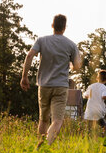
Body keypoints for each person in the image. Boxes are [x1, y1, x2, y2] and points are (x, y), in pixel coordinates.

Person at [20, 14, 81, 145]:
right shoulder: (71, 45)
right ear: (65, 27)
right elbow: (77, 66)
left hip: (44, 85)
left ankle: (41, 145)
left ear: (52, 25)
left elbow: (30, 55)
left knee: (43, 119)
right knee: (57, 120)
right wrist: (71, 63)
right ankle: (46, 145)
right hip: (60, 87)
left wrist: (24, 76)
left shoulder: (42, 40)